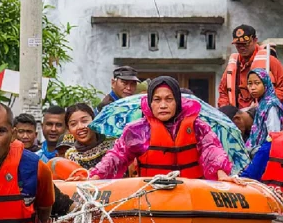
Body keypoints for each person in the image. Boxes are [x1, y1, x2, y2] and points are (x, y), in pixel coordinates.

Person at [89, 76, 232, 180]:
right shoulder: (137, 130)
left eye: (169, 99)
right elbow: (117, 156)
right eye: (157, 100)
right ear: (150, 102)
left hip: (192, 192)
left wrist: (221, 172)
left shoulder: (197, 126)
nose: (163, 105)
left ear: (177, 101)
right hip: (152, 193)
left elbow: (211, 149)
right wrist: (96, 175)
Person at [218, 24, 283, 108]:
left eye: (245, 44)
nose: (241, 48)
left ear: (255, 40)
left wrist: (264, 103)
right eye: (238, 44)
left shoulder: (270, 61)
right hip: (238, 117)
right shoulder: (233, 65)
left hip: (263, 114)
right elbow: (223, 92)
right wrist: (226, 109)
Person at [61, 103, 116, 169]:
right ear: (68, 129)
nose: (80, 127)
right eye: (73, 124)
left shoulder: (114, 144)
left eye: (84, 121)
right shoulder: (71, 155)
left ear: (94, 121)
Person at [245, 68, 283, 150]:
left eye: (257, 83)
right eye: (250, 84)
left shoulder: (271, 105)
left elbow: (274, 133)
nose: (252, 87)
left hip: (266, 152)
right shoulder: (262, 103)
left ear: (265, 84)